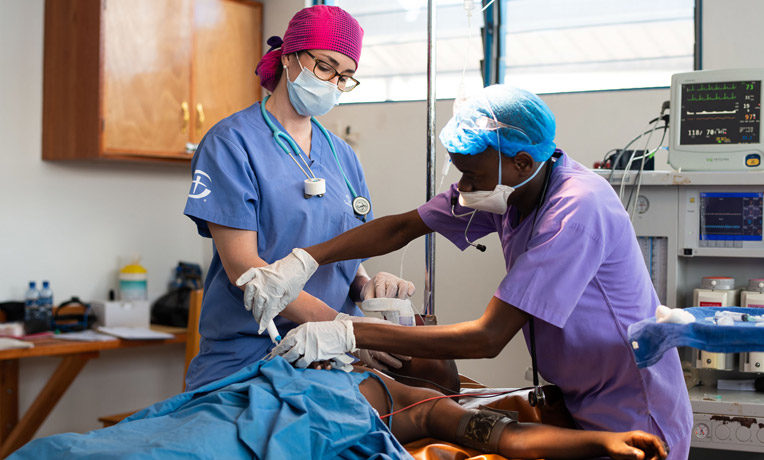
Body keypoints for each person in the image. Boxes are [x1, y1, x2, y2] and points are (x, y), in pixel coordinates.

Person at [234, 85, 692, 459]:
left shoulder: (577, 210)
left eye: (471, 177)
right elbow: (401, 227)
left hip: (632, 408)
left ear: (521, 163)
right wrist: (304, 260)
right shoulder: (512, 190)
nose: (464, 189)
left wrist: (348, 333)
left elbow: (487, 338)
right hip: (573, 398)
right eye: (461, 175)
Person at [182, 5, 414, 391]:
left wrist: (369, 290)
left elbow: (345, 262)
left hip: (327, 362)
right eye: (325, 67)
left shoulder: (342, 156)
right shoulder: (230, 144)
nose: (334, 83)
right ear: (290, 56)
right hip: (248, 359)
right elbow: (245, 269)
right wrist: (345, 328)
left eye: (345, 77)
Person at [9, 357, 668, 460]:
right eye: (529, 391)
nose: (517, 399)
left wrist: (595, 444)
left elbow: (501, 438)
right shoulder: (407, 379)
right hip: (227, 406)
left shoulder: (427, 410)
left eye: (530, 404)